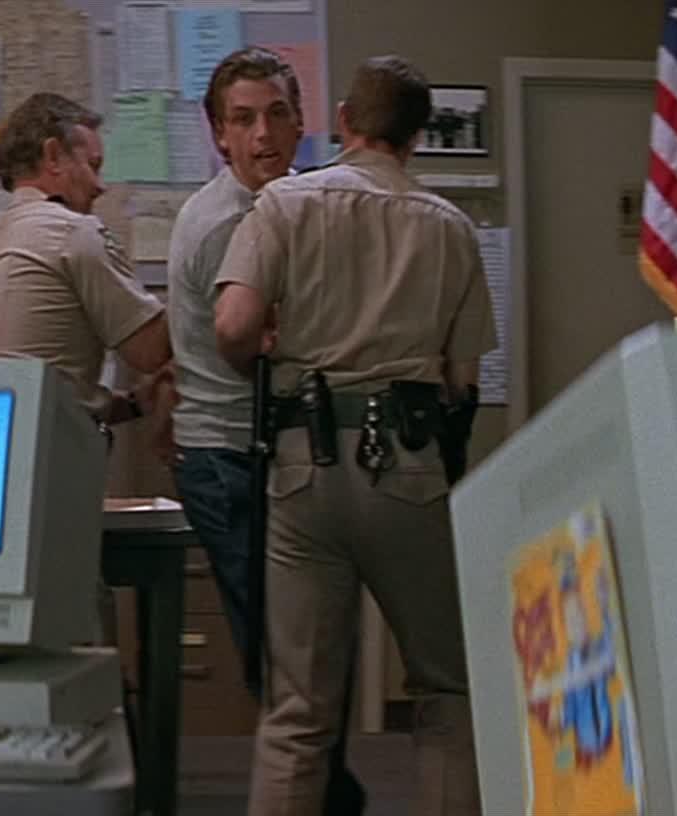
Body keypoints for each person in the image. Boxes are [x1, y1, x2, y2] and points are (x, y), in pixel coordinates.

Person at [213, 55, 494, 816]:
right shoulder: (450, 227)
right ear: (417, 136)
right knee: (447, 689)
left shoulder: (283, 204)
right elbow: (461, 380)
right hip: (408, 467)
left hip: (303, 465)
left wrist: (262, 352)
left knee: (298, 710)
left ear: (343, 120)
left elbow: (232, 325)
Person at [167, 47, 365, 814]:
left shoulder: (294, 203)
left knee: (308, 645)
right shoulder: (229, 221)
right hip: (230, 454)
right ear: (219, 134)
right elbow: (268, 343)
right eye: (244, 120)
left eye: (278, 114)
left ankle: (323, 791)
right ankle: (323, 796)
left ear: (301, 120)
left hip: (280, 448)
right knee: (282, 654)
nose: (264, 135)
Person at [0, 91, 170, 424]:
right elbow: (150, 351)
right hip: (53, 447)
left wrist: (133, 404)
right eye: (92, 165)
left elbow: (53, 390)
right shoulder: (72, 233)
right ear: (53, 155)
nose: (99, 186)